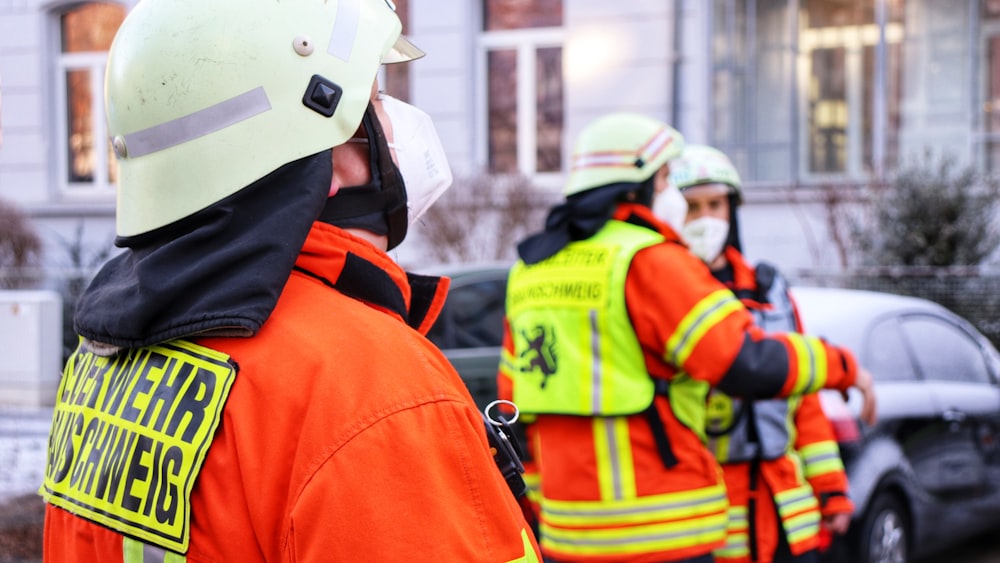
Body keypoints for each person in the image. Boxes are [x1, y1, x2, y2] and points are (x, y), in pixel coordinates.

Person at [38, 1, 540, 561]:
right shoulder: (373, 391)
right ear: (324, 156)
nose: (396, 121)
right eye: (371, 101)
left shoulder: (103, 355)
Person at [497, 112, 875, 563]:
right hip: (662, 526)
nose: (675, 196)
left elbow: (514, 404)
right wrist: (847, 369)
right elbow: (743, 360)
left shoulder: (530, 270)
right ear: (637, 185)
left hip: (569, 531)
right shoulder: (649, 259)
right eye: (666, 180)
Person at [673, 145, 853, 563]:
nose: (704, 219)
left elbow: (802, 398)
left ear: (732, 209)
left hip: (788, 512)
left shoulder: (768, 288)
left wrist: (832, 489)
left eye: (715, 204)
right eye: (690, 207)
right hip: (715, 512)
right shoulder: (668, 296)